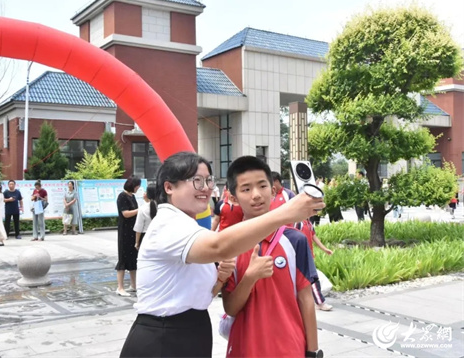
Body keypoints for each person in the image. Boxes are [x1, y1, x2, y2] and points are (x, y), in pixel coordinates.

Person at [119, 152, 324, 358]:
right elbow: (219, 247)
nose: (206, 188)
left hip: (189, 333)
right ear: (169, 187)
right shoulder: (168, 224)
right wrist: (287, 212)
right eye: (196, 181)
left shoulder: (190, 228)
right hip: (163, 339)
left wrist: (220, 279)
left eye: (208, 180)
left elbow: (199, 295)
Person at [221, 156, 320, 358]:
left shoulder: (295, 241)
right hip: (245, 349)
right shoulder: (228, 244)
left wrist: (312, 351)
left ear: (273, 190)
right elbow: (230, 308)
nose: (256, 195)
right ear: (233, 197)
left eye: (262, 186)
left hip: (290, 348)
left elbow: (306, 299)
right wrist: (250, 277)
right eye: (246, 189)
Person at [294, 219, 334, 311]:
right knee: (313, 279)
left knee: (310, 279)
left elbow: (313, 236)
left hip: (307, 255)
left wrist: (324, 249)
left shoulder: (308, 222)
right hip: (301, 256)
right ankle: (320, 302)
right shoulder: (298, 222)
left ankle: (316, 302)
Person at [115, 176, 140, 297]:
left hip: (133, 230)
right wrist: (140, 210)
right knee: (123, 258)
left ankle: (133, 285)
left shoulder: (132, 196)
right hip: (124, 230)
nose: (138, 189)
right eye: (137, 186)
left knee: (133, 258)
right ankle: (120, 287)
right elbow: (125, 214)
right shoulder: (122, 196)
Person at [133, 184, 157, 250]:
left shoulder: (143, 208)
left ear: (147, 194)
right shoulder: (163, 207)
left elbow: (138, 228)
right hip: (160, 236)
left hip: (145, 237)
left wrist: (137, 242)